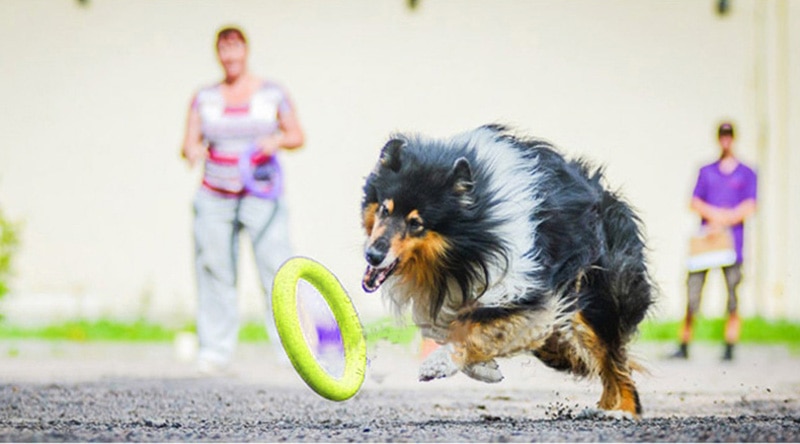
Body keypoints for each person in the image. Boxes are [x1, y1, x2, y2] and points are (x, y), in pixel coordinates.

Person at [181, 26, 309, 373]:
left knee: (276, 270)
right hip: (215, 196)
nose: (230, 55)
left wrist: (276, 141)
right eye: (223, 49)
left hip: (261, 195)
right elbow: (188, 144)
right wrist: (194, 151)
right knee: (215, 271)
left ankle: (292, 351)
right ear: (218, 54)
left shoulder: (272, 92)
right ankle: (215, 351)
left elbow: (297, 135)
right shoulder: (204, 97)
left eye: (235, 48)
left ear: (246, 51)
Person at [672, 122, 757, 361]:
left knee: (732, 295)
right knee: (693, 292)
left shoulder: (747, 172)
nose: (725, 140)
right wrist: (715, 217)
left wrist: (725, 219)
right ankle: (684, 343)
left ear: (734, 138)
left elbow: (750, 204)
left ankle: (730, 345)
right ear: (718, 138)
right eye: (722, 136)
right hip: (707, 242)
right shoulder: (707, 171)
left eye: (729, 136)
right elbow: (694, 201)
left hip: (732, 244)